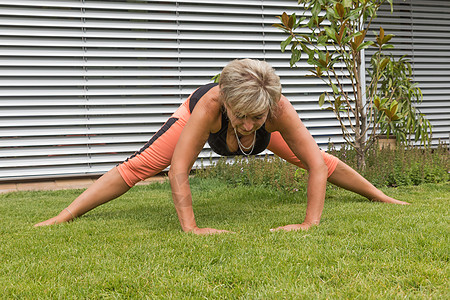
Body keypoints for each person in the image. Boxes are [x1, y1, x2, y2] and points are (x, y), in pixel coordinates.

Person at [34, 59, 409, 233]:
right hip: (199, 120)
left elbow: (314, 163)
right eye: (241, 116)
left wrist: (309, 224)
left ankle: (383, 197)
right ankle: (63, 215)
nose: (248, 126)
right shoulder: (211, 105)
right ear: (228, 103)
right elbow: (178, 170)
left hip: (260, 118)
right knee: (141, 165)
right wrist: (192, 229)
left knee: (323, 161)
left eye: (256, 118)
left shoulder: (276, 110)